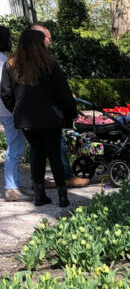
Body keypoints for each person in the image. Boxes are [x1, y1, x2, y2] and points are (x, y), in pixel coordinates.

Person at [0, 27, 77, 207]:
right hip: (50, 117)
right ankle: (63, 196)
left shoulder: (11, 65)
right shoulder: (49, 64)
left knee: (38, 153)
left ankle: (39, 195)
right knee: (54, 155)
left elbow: (6, 94)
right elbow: (63, 93)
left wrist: (17, 109)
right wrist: (71, 112)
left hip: (27, 119)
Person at [31, 23, 90, 189]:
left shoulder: (20, 62)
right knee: (57, 144)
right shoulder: (46, 62)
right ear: (41, 39)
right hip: (48, 113)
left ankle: (37, 180)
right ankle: (65, 178)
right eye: (49, 38)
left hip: (28, 115)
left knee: (37, 147)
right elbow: (57, 89)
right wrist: (71, 110)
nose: (50, 42)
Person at [0, 26, 30, 202]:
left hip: (4, 111)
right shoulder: (6, 62)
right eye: (10, 38)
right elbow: (7, 91)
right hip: (9, 112)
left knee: (14, 148)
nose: (12, 41)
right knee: (15, 148)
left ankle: (16, 185)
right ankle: (11, 187)